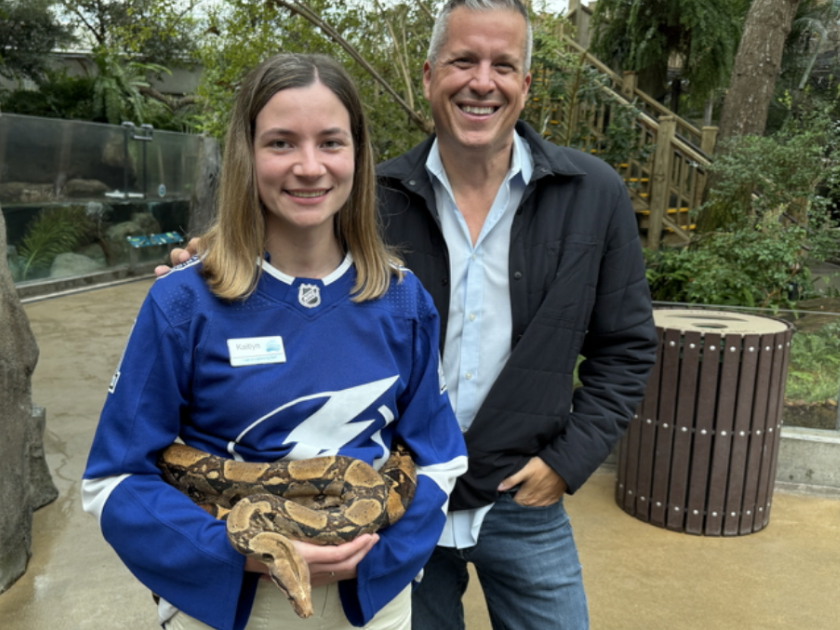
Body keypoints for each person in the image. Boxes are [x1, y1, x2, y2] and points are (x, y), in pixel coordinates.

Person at [160, 1, 657, 627]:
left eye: (503, 65)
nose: (482, 82)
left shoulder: (593, 194)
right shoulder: (367, 199)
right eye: (462, 60)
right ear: (428, 76)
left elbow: (627, 347)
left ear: (526, 84)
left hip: (522, 499)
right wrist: (210, 254)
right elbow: (282, 245)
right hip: (394, 500)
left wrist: (569, 460)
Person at [82, 53, 469, 630]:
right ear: (247, 153)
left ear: (358, 155)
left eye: (331, 142)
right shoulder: (182, 303)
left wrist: (379, 560)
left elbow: (441, 461)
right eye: (281, 143)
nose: (309, 167)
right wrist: (237, 552)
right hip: (229, 607)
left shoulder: (403, 300)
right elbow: (113, 481)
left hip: (373, 604)